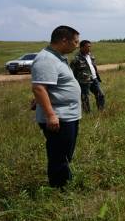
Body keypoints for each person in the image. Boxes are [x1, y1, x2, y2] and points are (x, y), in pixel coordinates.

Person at [31, 25, 81, 188]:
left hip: (68, 115)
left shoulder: (57, 57)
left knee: (65, 154)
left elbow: (47, 86)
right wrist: (51, 115)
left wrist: (39, 99)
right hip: (59, 117)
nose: (77, 45)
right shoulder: (46, 59)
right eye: (75, 41)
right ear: (64, 40)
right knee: (59, 155)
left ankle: (64, 183)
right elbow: (39, 87)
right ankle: (59, 189)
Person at [70, 40, 105, 112]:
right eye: (87, 47)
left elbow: (93, 66)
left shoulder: (91, 56)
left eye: (90, 46)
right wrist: (75, 82)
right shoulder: (76, 58)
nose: (89, 48)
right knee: (85, 98)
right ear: (81, 47)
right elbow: (72, 71)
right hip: (84, 81)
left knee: (100, 94)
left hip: (94, 79)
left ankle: (101, 111)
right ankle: (87, 113)